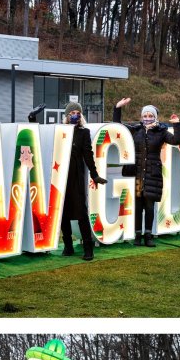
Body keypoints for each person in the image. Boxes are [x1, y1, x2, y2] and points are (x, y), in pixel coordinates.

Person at [29, 101, 105, 260]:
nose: (74, 115)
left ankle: (88, 249)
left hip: (76, 178)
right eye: (71, 113)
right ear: (66, 115)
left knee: (81, 213)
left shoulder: (84, 132)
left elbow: (88, 155)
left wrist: (94, 174)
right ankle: (68, 246)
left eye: (77, 113)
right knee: (62, 212)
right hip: (59, 177)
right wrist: (32, 119)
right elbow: (40, 137)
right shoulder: (58, 131)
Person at [112, 97, 180, 247]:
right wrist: (118, 108)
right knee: (137, 206)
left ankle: (148, 235)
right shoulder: (135, 129)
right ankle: (137, 235)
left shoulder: (161, 132)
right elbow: (117, 126)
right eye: (145, 115)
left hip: (152, 173)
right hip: (136, 173)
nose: (147, 118)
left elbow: (177, 140)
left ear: (155, 117)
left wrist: (176, 125)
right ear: (141, 117)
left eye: (150, 116)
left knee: (150, 206)